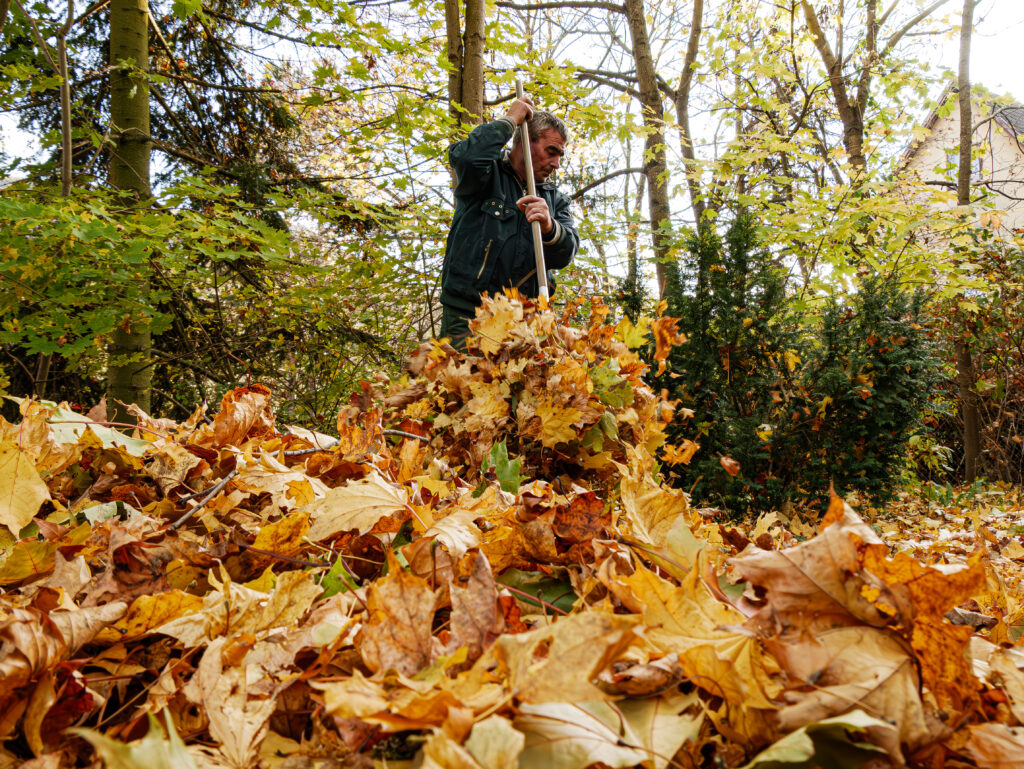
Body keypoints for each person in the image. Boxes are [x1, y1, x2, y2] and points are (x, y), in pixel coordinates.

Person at [439, 95, 580, 348]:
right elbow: (467, 157)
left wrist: (549, 227)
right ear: (525, 140)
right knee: (459, 385)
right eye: (551, 151)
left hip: (525, 323)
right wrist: (510, 120)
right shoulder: (486, 174)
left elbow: (566, 253)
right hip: (468, 316)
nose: (557, 164)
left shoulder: (555, 199)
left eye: (560, 155)